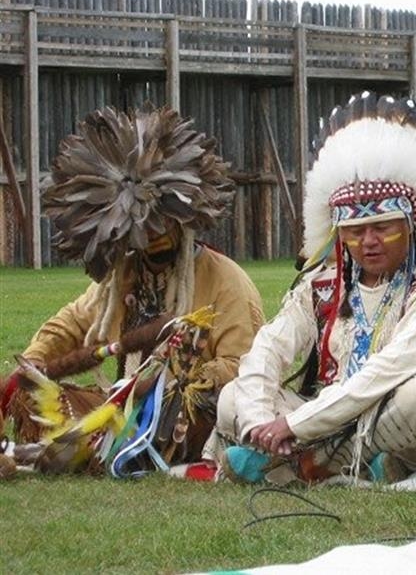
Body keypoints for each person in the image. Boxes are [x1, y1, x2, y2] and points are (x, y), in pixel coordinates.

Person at [205, 91, 416, 484]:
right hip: (330, 415)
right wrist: (260, 418)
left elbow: (389, 370)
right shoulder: (325, 283)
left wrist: (295, 425)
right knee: (232, 396)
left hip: (401, 413)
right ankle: (346, 465)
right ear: (339, 234)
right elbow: (270, 347)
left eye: (382, 227)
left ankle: (299, 465)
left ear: (409, 226)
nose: (369, 241)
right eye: (355, 232)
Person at [0, 105, 264, 473]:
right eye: (142, 229)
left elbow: (243, 366)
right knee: (41, 398)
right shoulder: (122, 279)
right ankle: (77, 446)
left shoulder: (225, 280)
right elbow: (74, 323)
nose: (153, 239)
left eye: (161, 225)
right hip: (121, 409)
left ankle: (89, 448)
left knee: (192, 414)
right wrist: (35, 364)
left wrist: (162, 385)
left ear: (183, 221)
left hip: (188, 414)